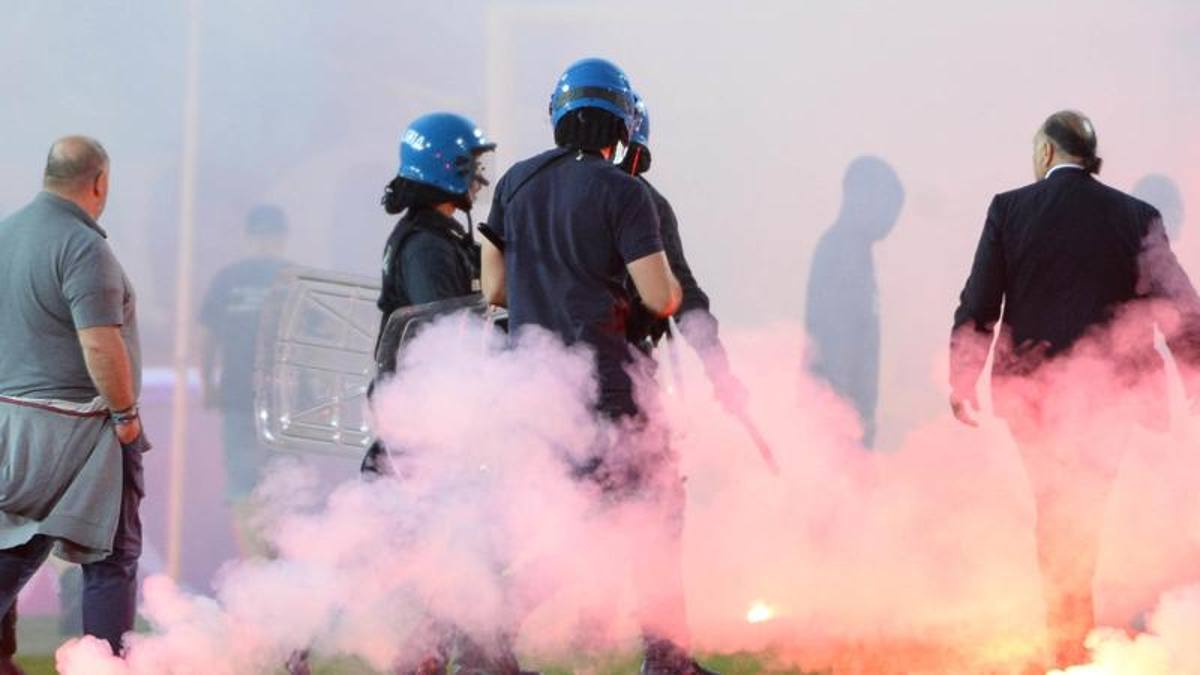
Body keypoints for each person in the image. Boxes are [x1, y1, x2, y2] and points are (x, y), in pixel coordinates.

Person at [481, 58, 720, 675]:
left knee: (557, 525)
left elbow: (495, 291)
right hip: (610, 388)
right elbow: (660, 295)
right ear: (622, 119)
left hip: (534, 389)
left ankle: (489, 644)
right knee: (653, 516)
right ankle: (667, 660)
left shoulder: (514, 182)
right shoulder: (625, 191)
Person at [949, 111, 1200, 669]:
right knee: (1084, 514)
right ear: (1090, 155)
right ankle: (1075, 640)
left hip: (1032, 393)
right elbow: (1181, 307)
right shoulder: (1136, 215)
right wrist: (1191, 373)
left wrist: (963, 375)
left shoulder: (1009, 209)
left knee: (1055, 512)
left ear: (1044, 152)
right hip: (1111, 395)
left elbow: (979, 301)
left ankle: (1068, 641)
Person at [0, 136, 148, 661]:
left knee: (13, 544)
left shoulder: (6, 233)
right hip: (75, 431)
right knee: (111, 556)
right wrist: (126, 416)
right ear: (99, 182)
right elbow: (99, 340)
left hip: (9, 425)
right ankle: (105, 667)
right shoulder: (84, 247)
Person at [618, 98, 748, 414]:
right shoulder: (645, 204)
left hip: (555, 388)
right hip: (623, 378)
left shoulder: (544, 194)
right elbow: (680, 291)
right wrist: (719, 369)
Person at [199, 205, 291, 555]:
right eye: (263, 234)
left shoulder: (290, 276)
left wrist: (208, 382)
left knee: (273, 484)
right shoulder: (230, 279)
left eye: (271, 234)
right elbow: (207, 337)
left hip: (280, 401)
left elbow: (207, 338)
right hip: (247, 398)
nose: (267, 241)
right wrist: (207, 382)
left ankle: (270, 563)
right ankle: (260, 564)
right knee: (253, 484)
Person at [805, 157, 904, 448]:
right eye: (888, 207)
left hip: (848, 416)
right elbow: (834, 342)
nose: (891, 220)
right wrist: (845, 422)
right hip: (836, 420)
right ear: (859, 196)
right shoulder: (840, 252)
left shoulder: (857, 253)